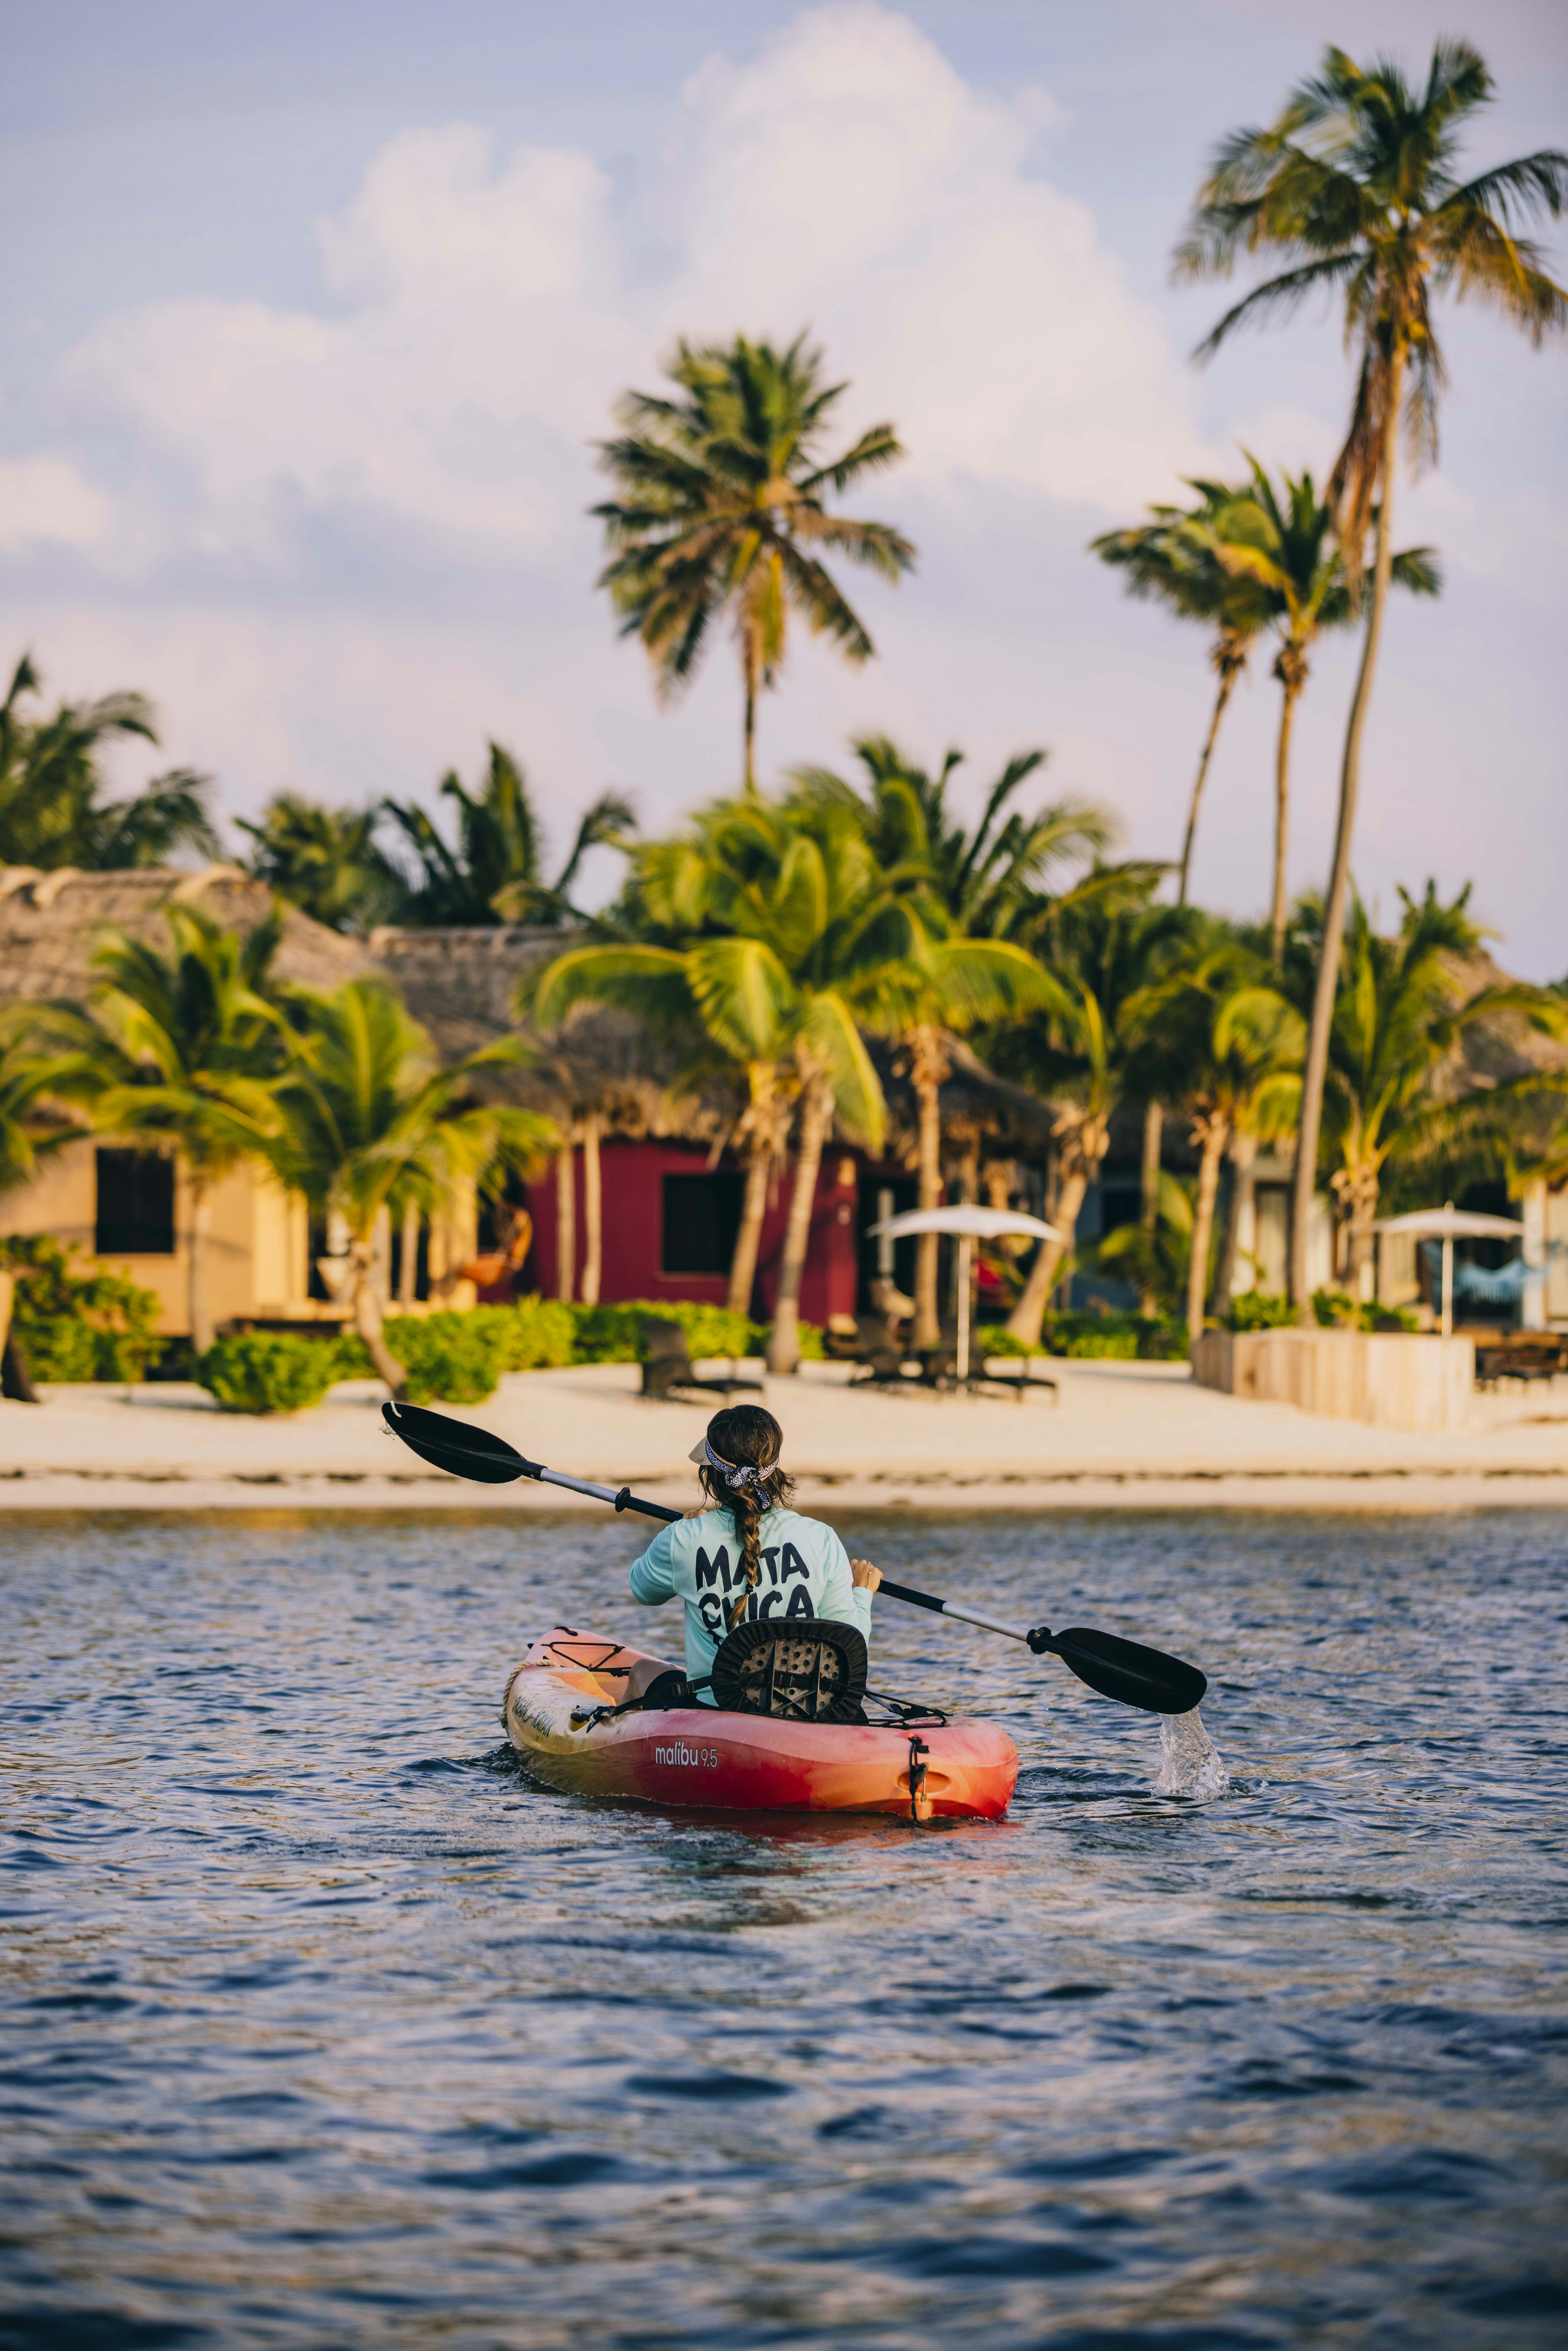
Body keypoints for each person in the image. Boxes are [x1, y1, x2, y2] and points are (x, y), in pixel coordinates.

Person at [626, 1403, 881, 1705]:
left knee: (642, 1672)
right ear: (776, 1470)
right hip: (804, 1708)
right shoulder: (822, 1537)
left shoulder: (683, 1537)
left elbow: (642, 1590)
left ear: (710, 1475)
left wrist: (681, 1534)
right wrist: (862, 1593)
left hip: (715, 1710)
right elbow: (852, 1644)